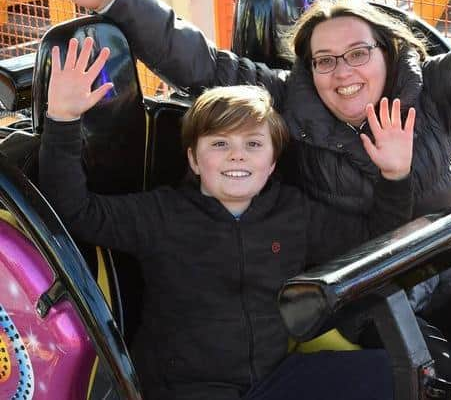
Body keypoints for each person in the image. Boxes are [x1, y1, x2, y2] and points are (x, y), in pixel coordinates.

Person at [32, 0, 451, 382]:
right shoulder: (290, 104)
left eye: (357, 53)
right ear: (307, 68)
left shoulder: (437, 91)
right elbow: (196, 61)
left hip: (448, 263)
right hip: (361, 287)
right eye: (324, 60)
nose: (342, 73)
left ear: (387, 53)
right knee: (428, 365)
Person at [38, 37, 417, 400]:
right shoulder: (162, 214)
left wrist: (395, 176)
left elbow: (376, 237)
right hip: (187, 389)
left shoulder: (292, 212)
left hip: (271, 379)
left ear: (271, 163)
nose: (238, 156)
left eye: (253, 145)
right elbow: (75, 211)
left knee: (392, 372)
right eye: (220, 144)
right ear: (193, 160)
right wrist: (62, 120)